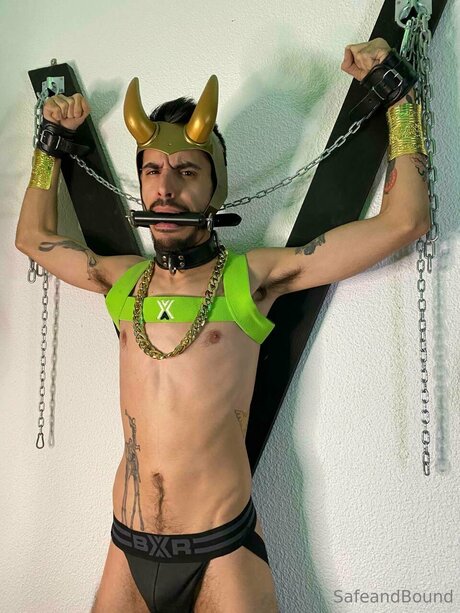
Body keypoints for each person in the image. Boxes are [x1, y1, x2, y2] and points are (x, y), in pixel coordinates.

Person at [15, 37, 430, 612]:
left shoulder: (250, 277)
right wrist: (49, 146)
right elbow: (32, 238)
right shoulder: (122, 280)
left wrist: (398, 100)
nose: (165, 188)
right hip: (126, 546)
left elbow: (404, 222)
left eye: (186, 170)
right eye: (152, 170)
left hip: (221, 551)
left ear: (217, 186)